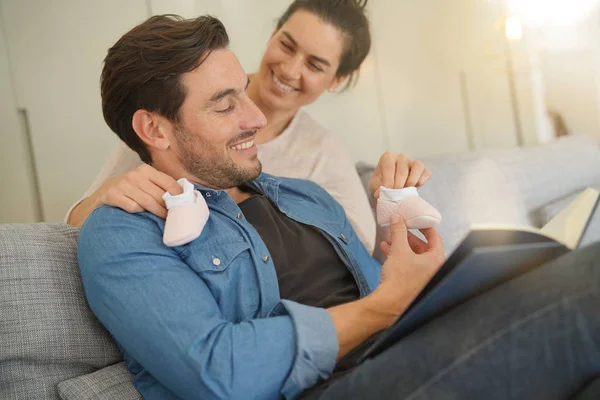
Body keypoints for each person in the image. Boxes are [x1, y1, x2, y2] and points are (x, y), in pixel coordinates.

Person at [78, 14, 600, 400]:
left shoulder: (308, 195)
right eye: (225, 102)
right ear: (153, 129)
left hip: (402, 356)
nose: (257, 115)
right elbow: (221, 373)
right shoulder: (123, 233)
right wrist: (383, 307)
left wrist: (413, 264)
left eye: (245, 92)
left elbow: (389, 292)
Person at [66, 0, 431, 255]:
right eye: (286, 45)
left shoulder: (320, 150)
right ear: (273, 33)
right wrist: (109, 192)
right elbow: (74, 226)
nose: (289, 70)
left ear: (337, 80)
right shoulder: (176, 120)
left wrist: (385, 200)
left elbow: (360, 253)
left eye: (315, 65)